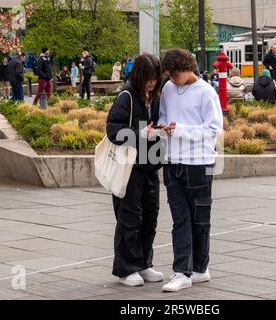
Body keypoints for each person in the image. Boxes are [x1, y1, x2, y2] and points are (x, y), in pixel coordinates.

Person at [159, 48, 223, 292]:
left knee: (200, 218)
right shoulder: (167, 89)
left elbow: (213, 128)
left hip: (200, 163)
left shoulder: (206, 92)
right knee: (180, 219)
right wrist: (164, 126)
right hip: (173, 161)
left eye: (174, 74)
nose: (172, 79)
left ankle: (199, 268)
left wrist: (183, 130)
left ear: (186, 69)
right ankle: (182, 271)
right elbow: (164, 113)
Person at [106, 53, 164, 287]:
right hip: (130, 167)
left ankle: (143, 263)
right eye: (148, 78)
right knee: (130, 218)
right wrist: (139, 134)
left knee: (150, 217)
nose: (152, 82)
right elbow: (113, 130)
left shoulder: (156, 97)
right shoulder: (127, 97)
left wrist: (162, 130)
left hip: (150, 165)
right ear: (139, 76)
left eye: (155, 78)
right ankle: (126, 268)